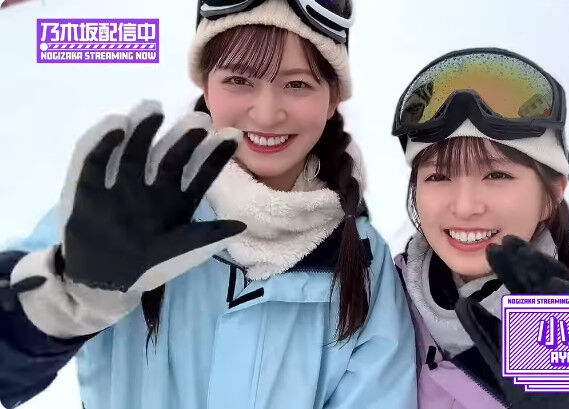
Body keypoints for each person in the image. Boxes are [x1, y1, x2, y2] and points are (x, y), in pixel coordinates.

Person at [0, 1, 417, 408]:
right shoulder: (128, 207)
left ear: (333, 98)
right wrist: (66, 299)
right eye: (239, 79)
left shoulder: (364, 262)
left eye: (297, 84)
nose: (266, 114)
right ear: (205, 81)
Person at [391, 47, 569, 409]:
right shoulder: (378, 298)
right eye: (439, 176)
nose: (465, 207)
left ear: (552, 194)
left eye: (496, 175)